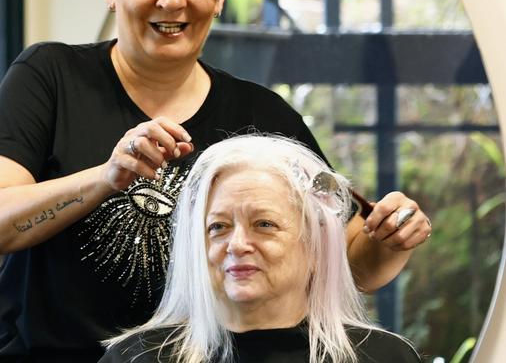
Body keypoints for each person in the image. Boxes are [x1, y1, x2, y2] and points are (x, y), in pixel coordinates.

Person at [0, 0, 432, 361]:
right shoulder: (50, 76)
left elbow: (345, 262)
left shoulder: (263, 117)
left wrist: (392, 239)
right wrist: (107, 178)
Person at [100, 135, 422, 363]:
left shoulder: (384, 357)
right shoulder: (134, 358)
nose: (237, 245)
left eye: (264, 224)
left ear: (316, 247)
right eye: (218, 227)